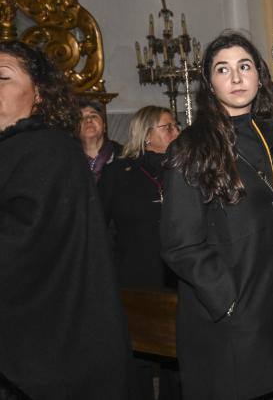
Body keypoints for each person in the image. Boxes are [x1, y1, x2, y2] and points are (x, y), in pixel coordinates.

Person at [160, 31, 273, 399]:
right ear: (210, 84)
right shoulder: (191, 147)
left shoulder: (271, 134)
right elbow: (180, 244)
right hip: (231, 315)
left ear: (259, 76)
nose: (236, 78)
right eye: (223, 69)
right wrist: (230, 301)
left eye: (244, 66)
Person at [0, 41, 132, 398]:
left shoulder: (49, 150)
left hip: (51, 346)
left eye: (2, 77)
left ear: (39, 93)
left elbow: (25, 245)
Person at [99, 105, 180, 399]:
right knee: (140, 362)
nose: (177, 132)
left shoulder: (183, 169)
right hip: (134, 278)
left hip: (177, 278)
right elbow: (100, 226)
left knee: (179, 362)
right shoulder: (119, 173)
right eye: (168, 127)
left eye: (176, 125)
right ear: (146, 136)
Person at [78, 98, 123, 182]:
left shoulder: (124, 156)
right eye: (81, 118)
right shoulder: (68, 160)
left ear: (104, 126)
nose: (88, 120)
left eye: (93, 116)